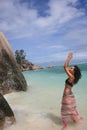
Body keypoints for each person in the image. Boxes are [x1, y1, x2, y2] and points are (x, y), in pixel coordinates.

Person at [61, 53, 83, 130]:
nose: (70, 68)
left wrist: (68, 58)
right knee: (72, 109)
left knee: (64, 110)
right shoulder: (73, 77)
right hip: (70, 94)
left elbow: (65, 67)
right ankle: (77, 121)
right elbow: (66, 67)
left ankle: (65, 125)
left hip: (67, 95)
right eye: (71, 67)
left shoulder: (71, 77)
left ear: (74, 72)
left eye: (72, 68)